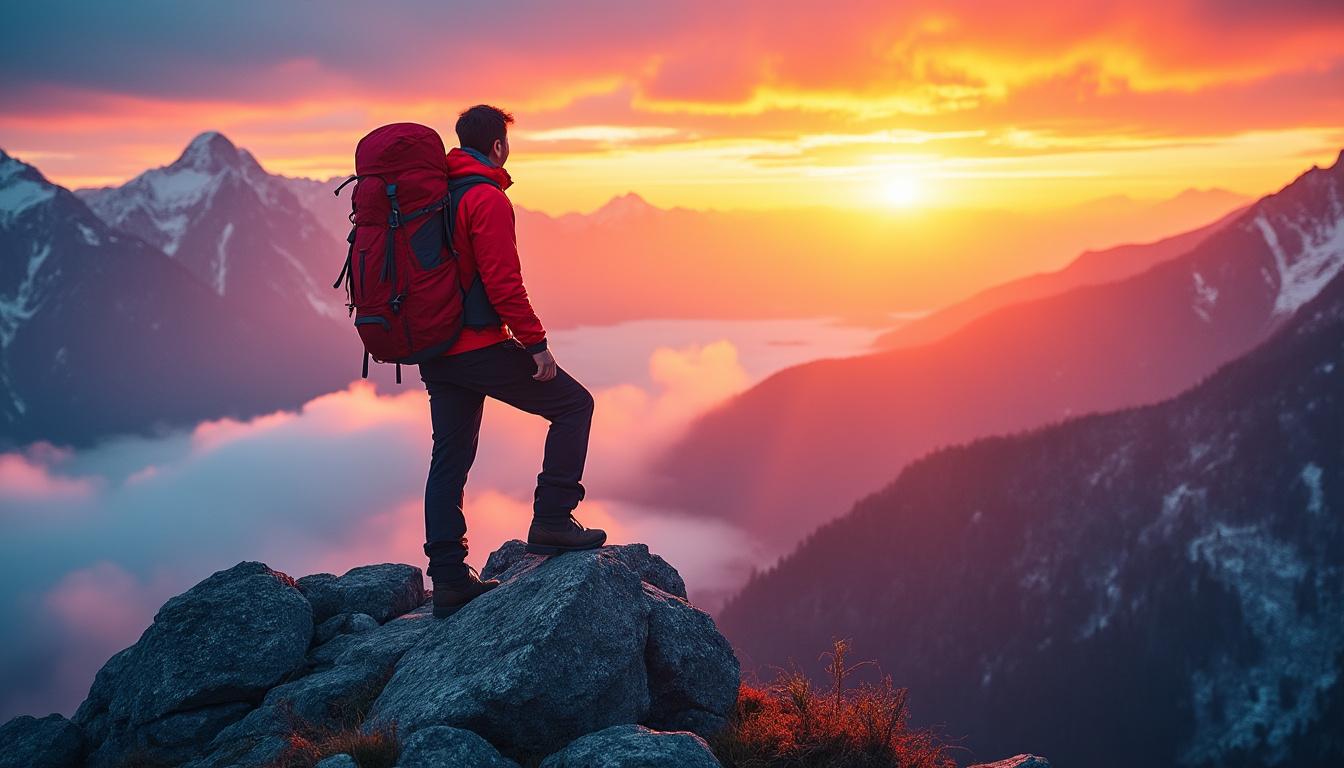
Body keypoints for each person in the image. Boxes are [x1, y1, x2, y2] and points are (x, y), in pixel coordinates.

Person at [419, 104, 605, 618]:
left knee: (449, 460)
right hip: (478, 346)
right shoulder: (486, 198)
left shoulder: (437, 194)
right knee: (573, 406)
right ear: (499, 146)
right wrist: (535, 344)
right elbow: (503, 283)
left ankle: (450, 580)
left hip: (435, 350)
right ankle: (552, 518)